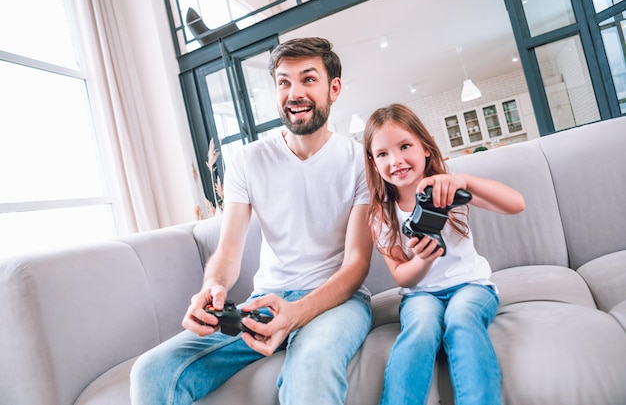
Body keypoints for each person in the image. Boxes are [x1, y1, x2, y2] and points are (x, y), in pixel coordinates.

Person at [129, 37, 373, 405]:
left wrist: (296, 314)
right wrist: (212, 287)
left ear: (333, 88)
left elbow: (357, 265)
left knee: (311, 369)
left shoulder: (362, 161)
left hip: (338, 301)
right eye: (284, 82)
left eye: (308, 79)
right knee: (152, 371)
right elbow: (228, 251)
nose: (294, 93)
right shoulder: (247, 160)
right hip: (266, 300)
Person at [362, 103, 525, 405]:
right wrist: (423, 260)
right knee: (421, 328)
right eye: (383, 154)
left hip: (471, 286)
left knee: (462, 318)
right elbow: (401, 275)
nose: (395, 160)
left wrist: (464, 181)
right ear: (373, 163)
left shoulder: (448, 189)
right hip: (421, 295)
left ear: (425, 147)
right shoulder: (380, 215)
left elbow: (516, 204)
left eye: (405, 146)